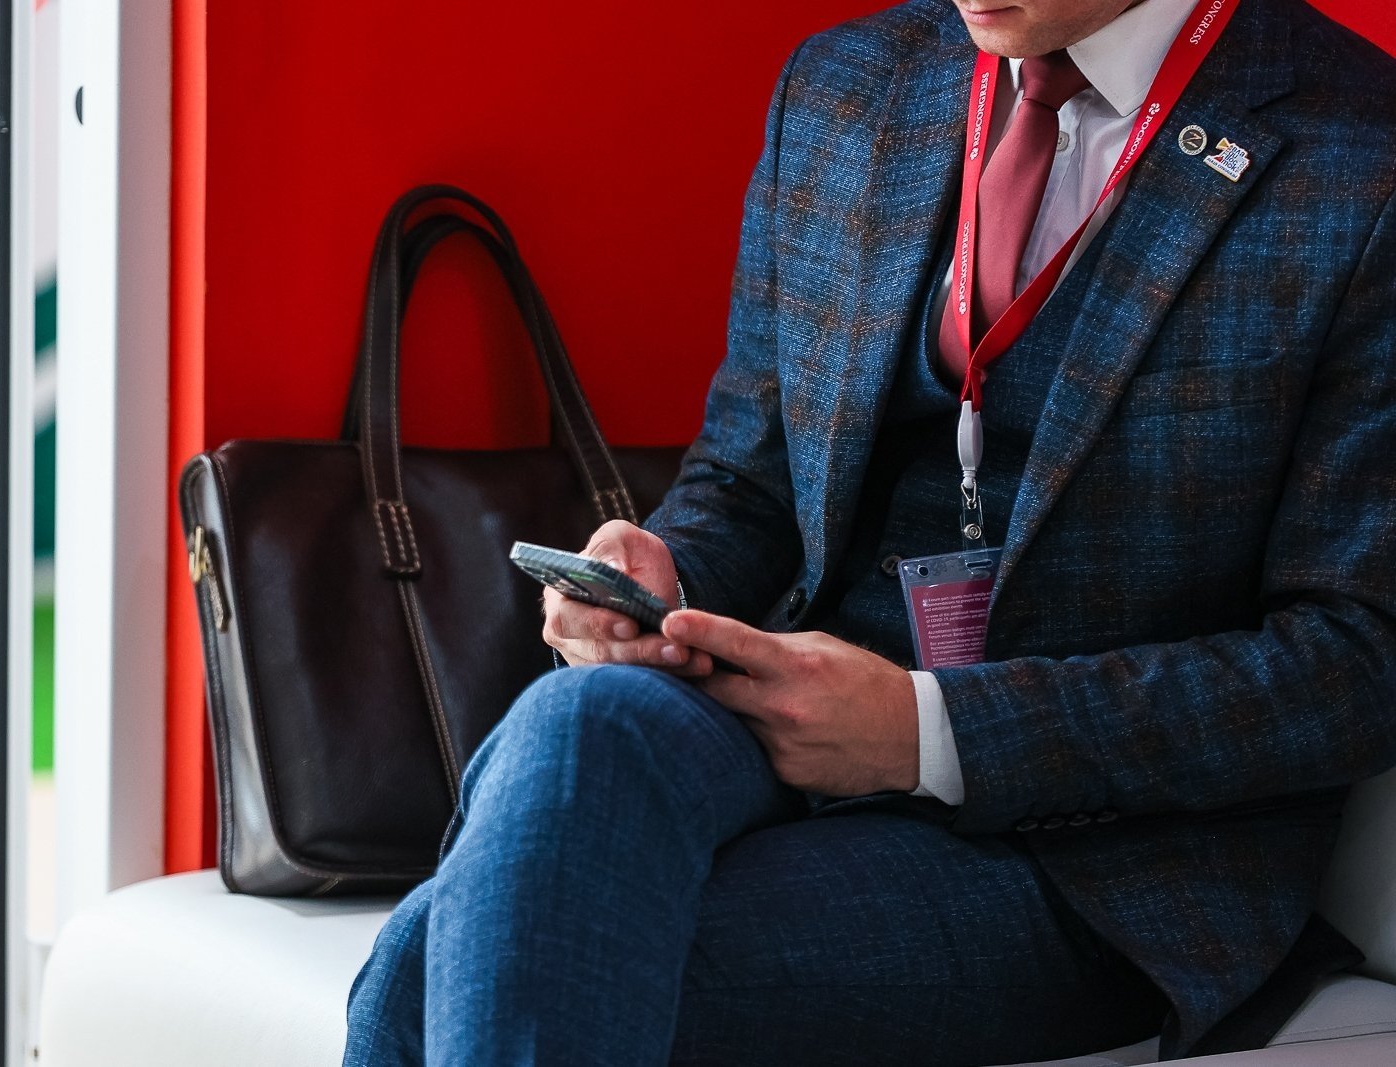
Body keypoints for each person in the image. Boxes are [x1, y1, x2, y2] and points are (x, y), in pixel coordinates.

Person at [344, 0, 1396, 1062]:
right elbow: (749, 481)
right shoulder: (847, 84)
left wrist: (928, 732)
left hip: (1099, 857)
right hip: (786, 715)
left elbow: (1359, 661)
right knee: (577, 722)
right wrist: (667, 573)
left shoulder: (1365, 159)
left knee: (436, 969)